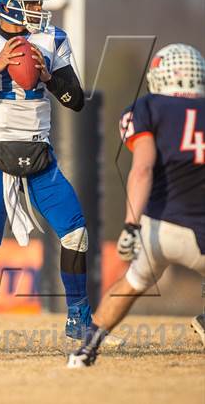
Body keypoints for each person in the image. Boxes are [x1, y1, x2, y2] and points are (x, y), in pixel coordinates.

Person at [0, 0, 92, 347]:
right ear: (9, 7)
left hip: (38, 148)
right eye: (31, 3)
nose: (38, 9)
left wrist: (49, 79)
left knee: (76, 233)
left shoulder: (52, 40)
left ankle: (79, 319)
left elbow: (76, 101)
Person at [68, 43, 205, 368]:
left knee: (132, 283)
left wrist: (131, 224)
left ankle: (85, 351)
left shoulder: (147, 107)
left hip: (159, 226)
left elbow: (142, 168)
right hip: (200, 228)